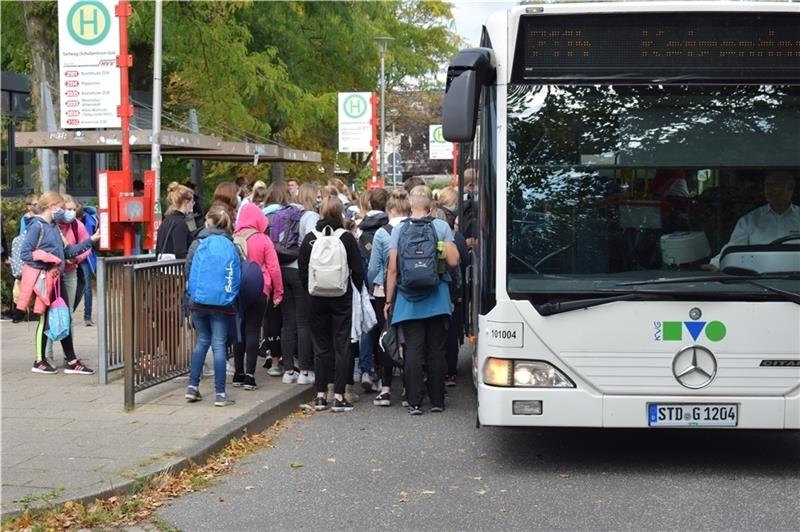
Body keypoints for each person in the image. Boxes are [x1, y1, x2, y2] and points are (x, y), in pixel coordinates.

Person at [384, 185, 460, 415]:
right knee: (436, 350)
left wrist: (389, 300)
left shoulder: (399, 229)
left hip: (409, 299)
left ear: (409, 203)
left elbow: (393, 269)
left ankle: (415, 402)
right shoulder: (441, 226)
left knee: (413, 350)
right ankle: (437, 400)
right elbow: (454, 261)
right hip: (437, 297)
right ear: (431, 205)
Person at [17, 191, 100, 375]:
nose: (63, 212)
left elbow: (68, 252)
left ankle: (71, 360)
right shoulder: (37, 227)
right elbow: (25, 254)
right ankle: (40, 360)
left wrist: (90, 240)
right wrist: (48, 264)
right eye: (61, 208)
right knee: (46, 318)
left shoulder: (53, 226)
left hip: (56, 280)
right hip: (46, 280)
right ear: (51, 207)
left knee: (64, 317)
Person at [298, 196, 364, 412]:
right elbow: (358, 269)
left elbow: (302, 270)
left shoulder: (310, 238)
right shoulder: (346, 238)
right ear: (340, 212)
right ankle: (339, 395)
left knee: (320, 346)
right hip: (340, 296)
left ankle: (319, 395)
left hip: (315, 298)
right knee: (342, 344)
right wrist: (357, 290)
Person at [264, 180, 319, 384]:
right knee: (303, 321)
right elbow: (312, 244)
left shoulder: (284, 213)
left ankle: (288, 370)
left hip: (282, 269)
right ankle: (304, 370)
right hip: (299, 271)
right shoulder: (309, 216)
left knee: (287, 322)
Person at [184, 206, 238, 407]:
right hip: (222, 303)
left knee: (202, 341)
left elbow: (188, 271)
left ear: (208, 222)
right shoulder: (230, 245)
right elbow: (236, 273)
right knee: (218, 344)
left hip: (198, 301)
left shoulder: (198, 243)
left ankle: (192, 387)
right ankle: (220, 394)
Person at [367, 189, 411, 406]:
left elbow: (373, 266)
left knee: (385, 337)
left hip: (384, 291)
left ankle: (385, 388)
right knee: (408, 338)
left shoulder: (382, 233)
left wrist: (370, 285)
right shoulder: (413, 228)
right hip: (410, 290)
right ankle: (406, 387)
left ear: (390, 210)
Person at [232, 203, 284, 390]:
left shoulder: (234, 238)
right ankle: (249, 375)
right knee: (253, 330)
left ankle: (237, 374)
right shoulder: (263, 240)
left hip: (238, 289)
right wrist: (278, 291)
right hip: (260, 288)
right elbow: (274, 268)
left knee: (239, 329)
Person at [710, 170, 800, 268]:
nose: (769, 190)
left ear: (790, 188)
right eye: (767, 185)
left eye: (775, 185)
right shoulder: (749, 220)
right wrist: (716, 263)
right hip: (757, 278)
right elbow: (733, 248)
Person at [44, 195, 92, 367]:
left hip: (70, 272)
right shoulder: (51, 225)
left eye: (73, 209)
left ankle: (68, 354)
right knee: (51, 314)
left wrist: (76, 258)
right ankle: (46, 355)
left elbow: (86, 245)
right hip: (53, 273)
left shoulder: (75, 225)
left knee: (67, 314)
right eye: (67, 209)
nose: (71, 212)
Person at [355, 187, 389, 389]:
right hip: (384, 284)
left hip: (366, 285)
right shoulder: (388, 228)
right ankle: (383, 367)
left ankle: (366, 370)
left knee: (368, 327)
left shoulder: (360, 228)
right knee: (385, 327)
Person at [156, 182, 194, 259]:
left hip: (163, 267)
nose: (192, 205)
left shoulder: (166, 221)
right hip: (176, 268)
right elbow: (180, 252)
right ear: (186, 202)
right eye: (192, 202)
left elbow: (158, 249)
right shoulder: (180, 223)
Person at [76, 202, 98, 326]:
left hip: (84, 256)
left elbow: (89, 242)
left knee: (87, 286)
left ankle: (87, 315)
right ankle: (85, 316)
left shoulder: (88, 222)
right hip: (76, 254)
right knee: (84, 286)